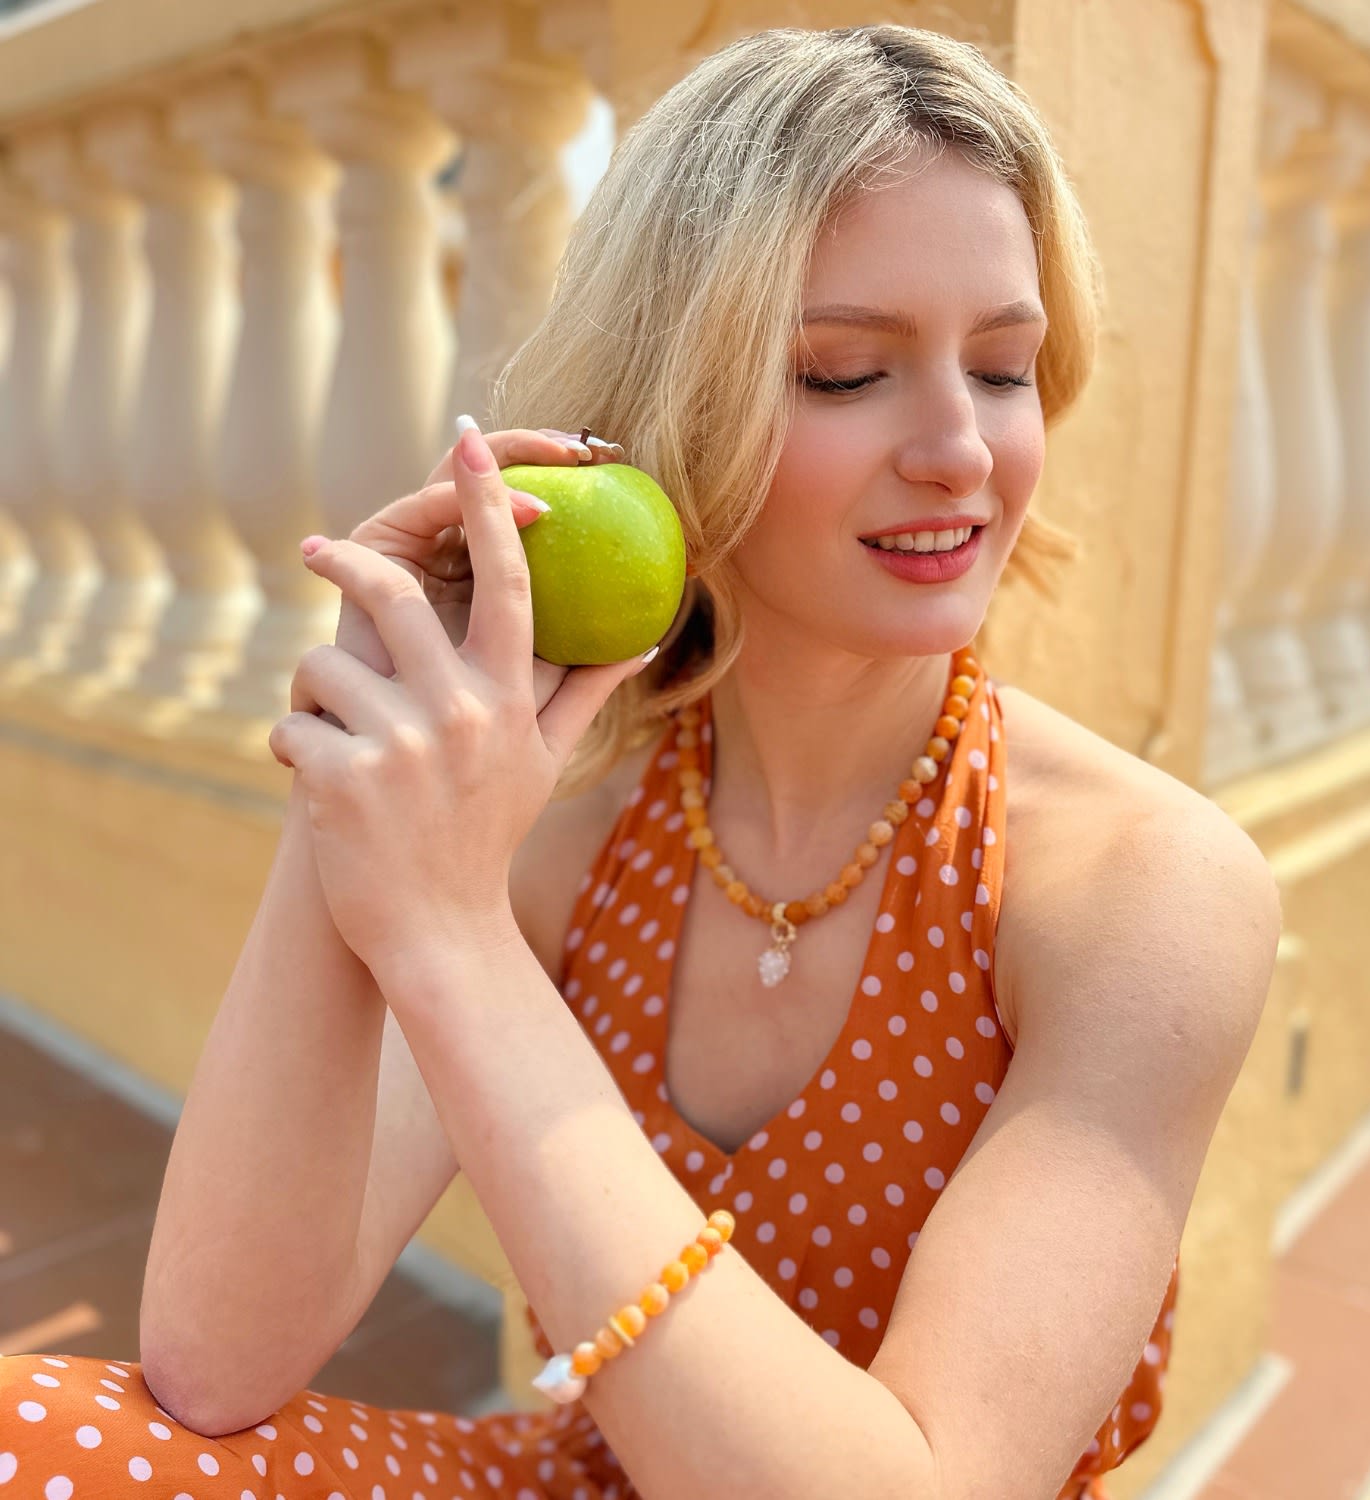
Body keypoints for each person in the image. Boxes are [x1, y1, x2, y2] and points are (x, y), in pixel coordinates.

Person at [0, 22, 1281, 1500]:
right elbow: (218, 1358)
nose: (960, 451)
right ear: (679, 403)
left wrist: (456, 942)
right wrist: (359, 771)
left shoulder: (1145, 888)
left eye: (1003, 367)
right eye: (846, 373)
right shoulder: (575, 833)